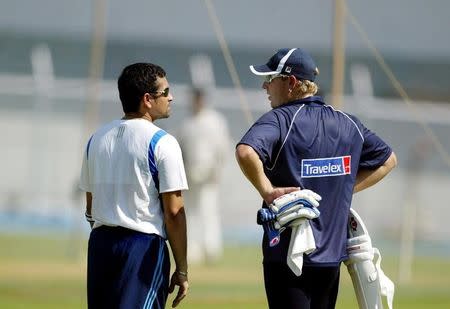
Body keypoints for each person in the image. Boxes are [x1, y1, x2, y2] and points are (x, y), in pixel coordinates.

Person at [235, 48, 397, 309]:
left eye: (271, 78)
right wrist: (342, 190)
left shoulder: (279, 119)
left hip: (286, 257)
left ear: (291, 83)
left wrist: (267, 191)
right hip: (331, 259)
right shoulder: (347, 122)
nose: (265, 86)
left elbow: (245, 151)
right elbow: (388, 160)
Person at [79, 62, 189, 308]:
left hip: (100, 244)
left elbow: (90, 204)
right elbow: (173, 213)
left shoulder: (96, 138)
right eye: (166, 92)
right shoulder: (163, 142)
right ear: (148, 99)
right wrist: (182, 269)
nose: (171, 98)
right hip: (142, 248)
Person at [178, 87, 231, 264]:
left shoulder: (215, 121)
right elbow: (181, 150)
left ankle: (211, 249)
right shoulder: (187, 123)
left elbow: (222, 148)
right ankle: (193, 249)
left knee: (208, 210)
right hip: (189, 173)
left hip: (209, 173)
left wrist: (217, 170)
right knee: (191, 212)